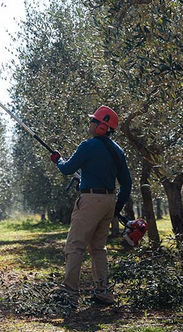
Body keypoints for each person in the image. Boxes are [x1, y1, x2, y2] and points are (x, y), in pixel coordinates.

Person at [50, 105, 132, 306]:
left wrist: (57, 159)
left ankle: (70, 296)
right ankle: (103, 292)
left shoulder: (87, 146)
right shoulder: (118, 151)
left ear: (102, 126)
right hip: (109, 201)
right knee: (98, 248)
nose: (90, 123)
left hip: (90, 201)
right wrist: (117, 207)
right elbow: (127, 183)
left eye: (93, 120)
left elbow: (67, 169)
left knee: (75, 246)